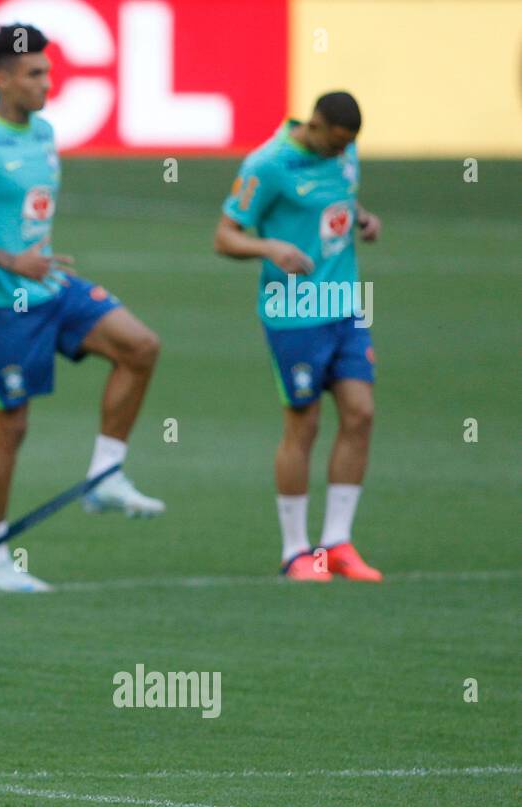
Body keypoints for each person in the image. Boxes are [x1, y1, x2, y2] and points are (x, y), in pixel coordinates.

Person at [0, 23, 165, 593]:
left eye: (48, 72)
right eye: (35, 73)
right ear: (3, 78)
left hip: (52, 287)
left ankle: (106, 475)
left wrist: (33, 262)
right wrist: (10, 262)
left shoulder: (45, 132)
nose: (47, 83)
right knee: (11, 427)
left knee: (141, 346)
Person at [214, 91, 382, 582]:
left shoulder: (343, 151)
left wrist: (363, 218)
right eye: (334, 143)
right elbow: (225, 235)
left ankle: (337, 544)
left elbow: (340, 195)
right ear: (314, 126)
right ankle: (295, 551)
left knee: (361, 413)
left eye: (347, 146)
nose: (340, 152)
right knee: (303, 424)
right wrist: (269, 247)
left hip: (345, 305)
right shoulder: (267, 165)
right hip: (293, 312)